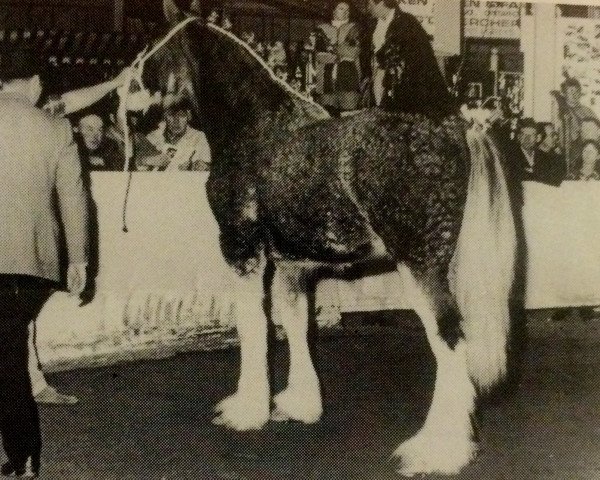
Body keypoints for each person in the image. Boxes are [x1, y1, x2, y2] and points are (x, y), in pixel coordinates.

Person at [0, 49, 89, 477]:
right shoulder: (57, 129)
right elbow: (73, 198)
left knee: (6, 359)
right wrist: (78, 260)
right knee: (8, 354)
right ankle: (23, 455)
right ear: (34, 83)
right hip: (33, 266)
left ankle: (23, 454)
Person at [367, 0, 455, 118]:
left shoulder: (405, 21)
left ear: (381, 3)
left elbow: (390, 52)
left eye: (370, 4)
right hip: (395, 84)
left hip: (414, 85)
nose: (368, 8)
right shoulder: (377, 24)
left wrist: (379, 63)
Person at [313, 1, 361, 115]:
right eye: (341, 9)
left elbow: (353, 52)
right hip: (325, 82)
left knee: (348, 117)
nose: (345, 12)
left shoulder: (354, 28)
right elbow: (320, 56)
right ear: (333, 10)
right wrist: (340, 56)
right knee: (327, 118)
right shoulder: (321, 29)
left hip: (349, 80)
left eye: (347, 10)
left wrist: (331, 48)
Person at [145, 97, 211, 171]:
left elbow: (210, 167)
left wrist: (205, 167)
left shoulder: (199, 137)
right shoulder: (152, 137)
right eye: (171, 115)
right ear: (164, 117)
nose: (176, 121)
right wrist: (147, 161)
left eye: (181, 115)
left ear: (189, 116)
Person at [552, 78, 599, 177]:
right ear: (564, 93)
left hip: (584, 156)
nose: (574, 94)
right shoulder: (558, 112)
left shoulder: (587, 111)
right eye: (570, 91)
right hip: (562, 155)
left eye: (577, 91)